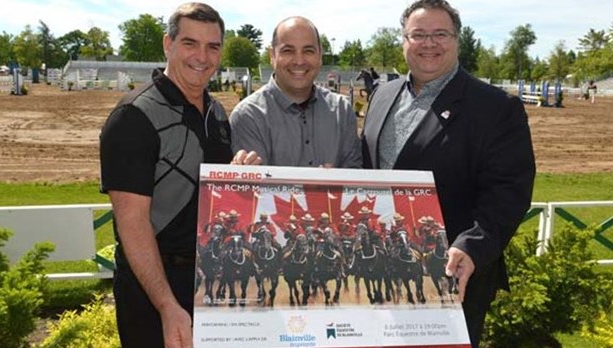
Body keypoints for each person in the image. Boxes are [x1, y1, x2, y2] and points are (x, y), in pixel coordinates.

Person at [360, 1, 535, 346]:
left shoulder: (496, 107)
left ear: (457, 39)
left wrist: (472, 247)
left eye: (440, 34)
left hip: (452, 274)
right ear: (403, 40)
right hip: (383, 268)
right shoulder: (382, 95)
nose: (429, 43)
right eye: (418, 35)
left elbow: (508, 192)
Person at [100, 3, 260, 347]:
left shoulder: (216, 113)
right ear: (167, 44)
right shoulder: (133, 117)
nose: (202, 56)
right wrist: (166, 305)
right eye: (190, 43)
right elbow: (133, 223)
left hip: (207, 282)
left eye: (213, 46)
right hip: (153, 290)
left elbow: (206, 195)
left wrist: (236, 179)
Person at [229, 16, 361, 168]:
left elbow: (355, 173)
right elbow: (254, 187)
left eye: (308, 51)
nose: (299, 61)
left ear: (320, 56)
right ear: (272, 56)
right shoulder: (248, 116)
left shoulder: (342, 111)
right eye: (288, 51)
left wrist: (337, 182)